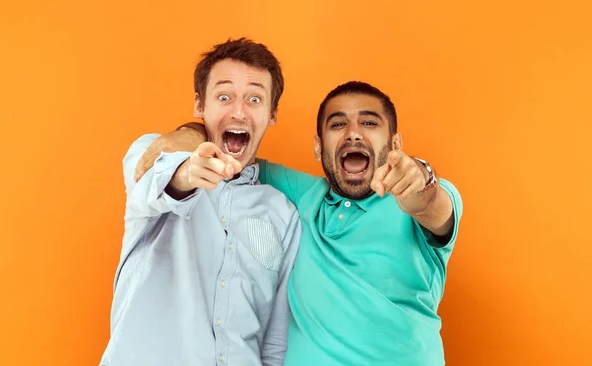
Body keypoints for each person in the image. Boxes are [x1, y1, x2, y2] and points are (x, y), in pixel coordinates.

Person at [136, 81, 463, 365]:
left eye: (369, 122)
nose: (353, 133)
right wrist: (187, 134)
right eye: (338, 125)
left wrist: (421, 178)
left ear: (394, 146)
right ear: (319, 148)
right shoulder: (302, 194)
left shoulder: (423, 200)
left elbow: (431, 202)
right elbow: (231, 158)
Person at [100, 38, 302, 366]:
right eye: (224, 96)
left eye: (254, 99)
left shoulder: (282, 213)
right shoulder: (154, 152)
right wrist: (188, 170)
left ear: (272, 113)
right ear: (199, 105)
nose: (239, 111)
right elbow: (158, 182)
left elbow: (275, 339)